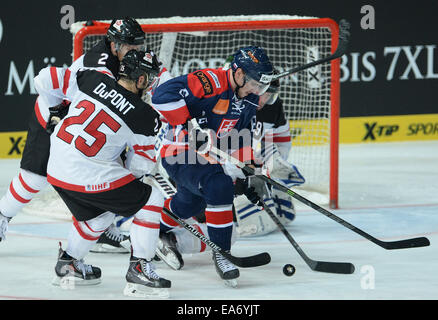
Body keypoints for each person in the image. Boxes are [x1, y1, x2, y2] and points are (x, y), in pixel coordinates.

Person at [33, 49, 171, 298]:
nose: (150, 85)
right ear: (140, 80)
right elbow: (140, 166)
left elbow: (44, 78)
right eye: (149, 79)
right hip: (85, 173)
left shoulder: (91, 78)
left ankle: (69, 265)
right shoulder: (144, 115)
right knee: (151, 199)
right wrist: (127, 174)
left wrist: (56, 110)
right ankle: (140, 269)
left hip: (55, 167)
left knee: (100, 214)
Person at [0, 17, 146, 253]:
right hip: (57, 115)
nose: (136, 52)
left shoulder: (125, 60)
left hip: (85, 123)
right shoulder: (97, 66)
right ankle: (2, 216)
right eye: (131, 47)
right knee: (35, 179)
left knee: (104, 172)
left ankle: (99, 230)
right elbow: (49, 83)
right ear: (114, 44)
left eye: (139, 47)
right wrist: (56, 114)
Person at [151, 45, 274, 287]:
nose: (257, 90)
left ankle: (155, 227)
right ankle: (222, 253)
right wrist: (190, 127)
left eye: (262, 86)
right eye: (254, 83)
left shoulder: (249, 100)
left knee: (191, 202)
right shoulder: (210, 82)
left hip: (206, 159)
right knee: (219, 185)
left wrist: (252, 172)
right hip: (179, 153)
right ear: (238, 75)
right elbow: (161, 96)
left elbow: (242, 139)